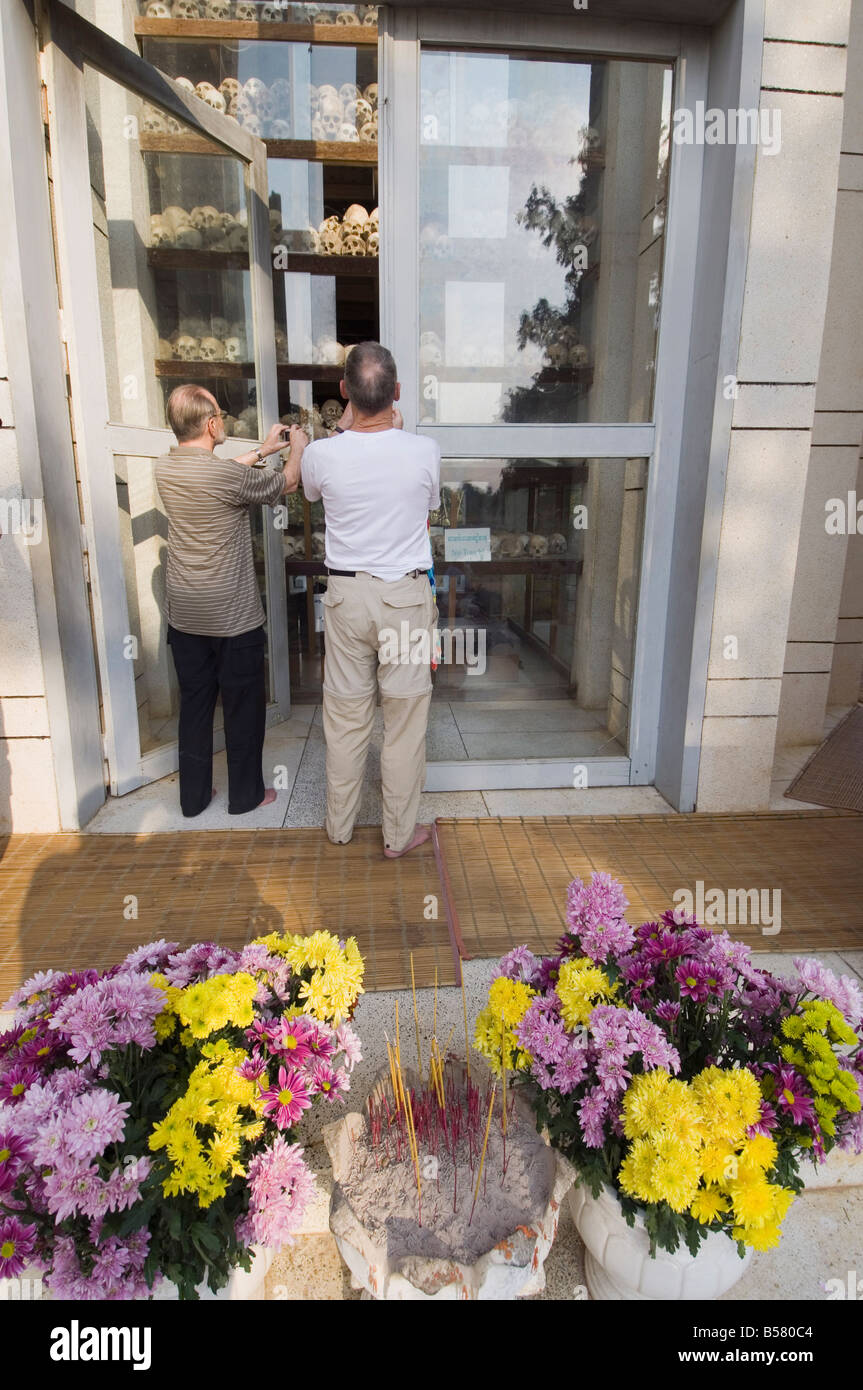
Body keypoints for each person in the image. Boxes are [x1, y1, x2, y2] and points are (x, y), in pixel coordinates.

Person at [301, 342, 441, 858]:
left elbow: (310, 492)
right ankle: (398, 836)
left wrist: (339, 432)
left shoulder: (321, 454)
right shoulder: (424, 451)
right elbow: (428, 506)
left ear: (344, 393)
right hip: (404, 597)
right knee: (403, 722)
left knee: (344, 715)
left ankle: (339, 827)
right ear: (397, 393)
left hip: (346, 597)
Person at [154, 384, 307, 817]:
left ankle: (194, 799)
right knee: (243, 709)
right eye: (220, 413)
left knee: (196, 707)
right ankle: (246, 796)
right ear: (211, 424)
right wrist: (294, 448)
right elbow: (289, 483)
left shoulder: (164, 470)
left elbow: (221, 476)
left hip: (185, 617)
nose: (222, 418)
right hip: (232, 617)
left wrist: (260, 451)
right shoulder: (224, 477)